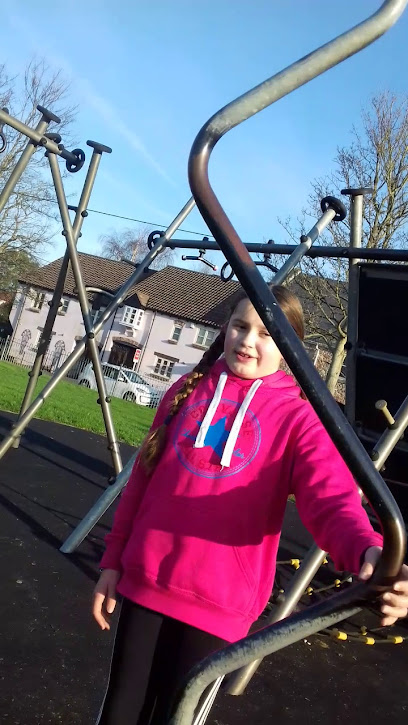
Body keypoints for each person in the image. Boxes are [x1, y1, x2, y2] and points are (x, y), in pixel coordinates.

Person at [93, 285, 408, 724]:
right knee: (120, 712)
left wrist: (368, 551)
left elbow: (331, 499)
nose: (247, 341)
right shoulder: (187, 390)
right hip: (146, 583)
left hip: (218, 607)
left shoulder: (298, 419)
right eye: (240, 326)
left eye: (266, 333)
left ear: (289, 348)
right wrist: (112, 561)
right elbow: (141, 483)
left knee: (176, 717)